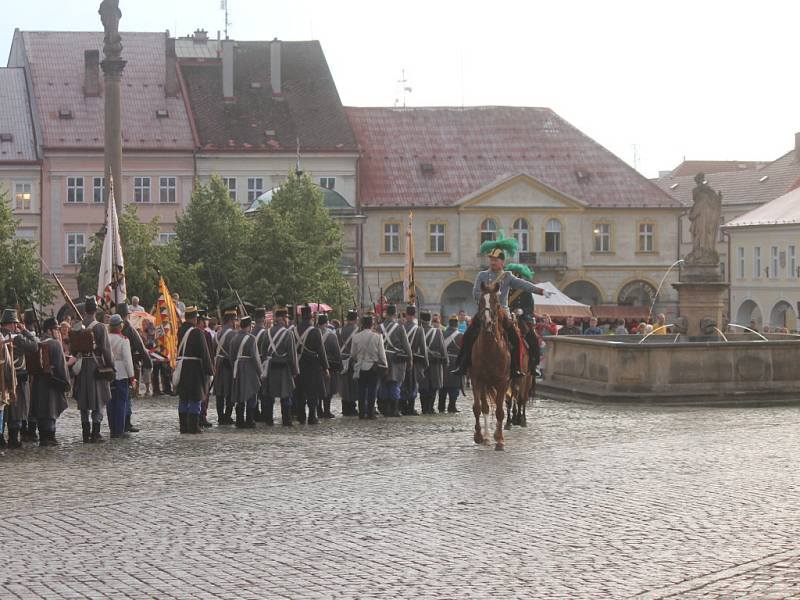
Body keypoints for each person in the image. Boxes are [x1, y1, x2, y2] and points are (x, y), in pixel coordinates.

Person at [452, 235, 546, 378]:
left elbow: (523, 284)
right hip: (485, 311)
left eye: (496, 260)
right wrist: (487, 294)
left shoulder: (507, 276)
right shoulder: (481, 275)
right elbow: (475, 293)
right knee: (469, 334)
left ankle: (515, 367)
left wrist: (540, 291)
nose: (493, 262)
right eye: (491, 260)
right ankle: (462, 365)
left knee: (515, 337)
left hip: (502, 311)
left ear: (502, 262)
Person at [73, 296, 113, 443]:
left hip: (82, 365)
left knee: (83, 401)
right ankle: (95, 433)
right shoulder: (100, 327)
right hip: (96, 365)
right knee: (99, 400)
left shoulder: (77, 326)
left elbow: (73, 349)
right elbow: (106, 349)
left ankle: (85, 434)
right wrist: (111, 366)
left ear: (85, 310)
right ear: (96, 310)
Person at [0, 309, 39, 447]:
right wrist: (25, 331)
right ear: (11, 324)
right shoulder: (17, 338)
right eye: (15, 324)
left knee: (3, 408)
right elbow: (35, 346)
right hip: (17, 377)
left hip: (2, 379)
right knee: (17, 408)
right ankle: (13, 438)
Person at [30, 317, 70, 446]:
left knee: (42, 409)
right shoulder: (55, 344)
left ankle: (43, 437)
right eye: (55, 329)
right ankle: (49, 437)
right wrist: (65, 382)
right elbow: (61, 365)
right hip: (51, 382)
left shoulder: (37, 342)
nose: (57, 332)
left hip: (38, 382)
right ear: (49, 330)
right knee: (50, 409)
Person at [176, 307, 213, 434]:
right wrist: (210, 370)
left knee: (184, 398)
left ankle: (183, 426)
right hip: (194, 369)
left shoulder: (180, 330)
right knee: (195, 398)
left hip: (183, 367)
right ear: (194, 318)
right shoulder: (197, 332)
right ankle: (193, 426)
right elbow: (204, 353)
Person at [116, 303, 150, 432]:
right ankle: (126, 422)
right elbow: (140, 346)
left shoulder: (113, 328)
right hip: (128, 364)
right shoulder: (129, 328)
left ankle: (121, 422)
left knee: (120, 395)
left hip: (116, 367)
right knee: (127, 395)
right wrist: (148, 361)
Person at [263, 307, 299, 427]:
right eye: (286, 318)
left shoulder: (266, 333)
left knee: (269, 396)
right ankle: (286, 420)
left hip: (270, 367)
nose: (287, 320)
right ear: (283, 319)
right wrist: (295, 371)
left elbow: (264, 353)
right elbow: (292, 354)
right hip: (284, 368)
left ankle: (268, 420)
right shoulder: (288, 333)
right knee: (286, 396)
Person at [293, 305, 328, 425]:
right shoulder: (315, 331)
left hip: (298, 364)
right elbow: (321, 351)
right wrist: (325, 367)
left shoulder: (294, 330)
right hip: (312, 365)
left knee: (300, 391)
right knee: (312, 392)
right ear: (311, 317)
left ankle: (301, 415)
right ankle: (312, 416)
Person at [350, 314, 387, 419]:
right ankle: (371, 412)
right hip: (373, 367)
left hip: (360, 366)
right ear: (372, 324)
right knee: (372, 390)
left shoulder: (356, 336)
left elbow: (353, 354)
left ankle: (361, 412)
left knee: (361, 390)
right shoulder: (378, 336)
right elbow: (382, 353)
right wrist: (385, 365)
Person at [378, 305, 412, 417]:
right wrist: (410, 358)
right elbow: (406, 345)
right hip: (396, 358)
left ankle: (385, 409)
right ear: (395, 314)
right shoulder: (399, 327)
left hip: (382, 357)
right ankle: (394, 409)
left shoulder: (379, 327)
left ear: (386, 314)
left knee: (383, 383)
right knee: (395, 383)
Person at [230, 316, 262, 428]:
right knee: (251, 394)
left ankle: (239, 419)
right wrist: (260, 372)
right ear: (249, 326)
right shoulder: (251, 339)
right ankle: (250, 419)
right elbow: (255, 357)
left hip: (237, 367)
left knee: (239, 394)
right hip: (249, 368)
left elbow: (231, 357)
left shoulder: (234, 338)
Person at [107, 314, 134, 438]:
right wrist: (131, 376)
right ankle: (119, 429)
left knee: (110, 402)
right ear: (120, 326)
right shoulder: (123, 340)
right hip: (122, 372)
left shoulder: (106, 338)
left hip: (108, 372)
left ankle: (112, 429)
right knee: (121, 403)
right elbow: (127, 360)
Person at [401, 305, 429, 416]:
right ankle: (410, 408)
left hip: (402, 359)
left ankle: (402, 407)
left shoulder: (400, 327)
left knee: (402, 383)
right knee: (413, 385)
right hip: (414, 361)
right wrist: (425, 363)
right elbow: (423, 348)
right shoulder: (419, 329)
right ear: (414, 315)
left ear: (406, 314)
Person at [212, 310, 238, 424]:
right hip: (229, 366)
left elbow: (213, 351)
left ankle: (220, 416)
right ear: (231, 321)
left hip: (218, 365)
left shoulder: (216, 334)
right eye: (235, 320)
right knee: (229, 392)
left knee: (219, 393)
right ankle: (227, 416)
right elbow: (235, 352)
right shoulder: (234, 334)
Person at [418, 310, 445, 414]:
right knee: (433, 386)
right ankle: (430, 407)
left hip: (421, 362)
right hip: (435, 362)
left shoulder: (417, 330)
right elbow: (442, 348)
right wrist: (445, 359)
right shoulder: (437, 331)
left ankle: (424, 407)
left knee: (423, 386)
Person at [317, 313, 342, 419]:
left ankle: (318, 410)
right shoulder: (331, 335)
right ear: (327, 323)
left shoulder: (313, 332)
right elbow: (337, 351)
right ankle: (326, 411)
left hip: (316, 365)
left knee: (318, 389)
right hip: (329, 365)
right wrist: (340, 365)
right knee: (328, 389)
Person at [439, 315, 464, 413]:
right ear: (457, 324)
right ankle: (452, 406)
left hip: (444, 362)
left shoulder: (442, 334)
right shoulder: (460, 336)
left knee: (443, 386)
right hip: (455, 363)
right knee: (454, 386)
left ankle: (441, 407)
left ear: (449, 323)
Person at [337, 309, 359, 416]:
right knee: (353, 384)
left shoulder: (339, 331)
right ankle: (352, 407)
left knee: (344, 384)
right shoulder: (358, 330)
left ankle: (345, 406)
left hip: (342, 360)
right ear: (355, 319)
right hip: (353, 360)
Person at [251, 308, 270, 423]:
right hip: (262, 363)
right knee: (263, 391)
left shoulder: (251, 331)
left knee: (254, 390)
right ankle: (264, 413)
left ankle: (254, 412)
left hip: (251, 364)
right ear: (263, 319)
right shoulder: (265, 333)